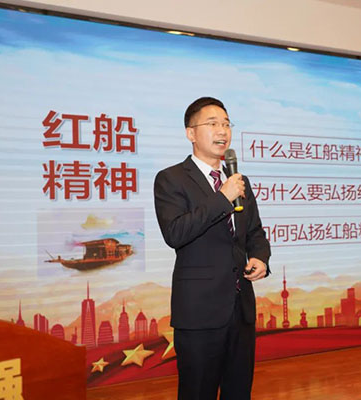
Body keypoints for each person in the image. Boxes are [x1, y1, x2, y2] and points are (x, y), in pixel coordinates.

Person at [154, 97, 271, 400]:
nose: (222, 131)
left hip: (240, 310)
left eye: (227, 124)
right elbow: (175, 233)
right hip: (200, 312)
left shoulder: (238, 181)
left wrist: (260, 257)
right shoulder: (171, 179)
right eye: (213, 123)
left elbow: (254, 232)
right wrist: (222, 198)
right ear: (191, 133)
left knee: (238, 392)